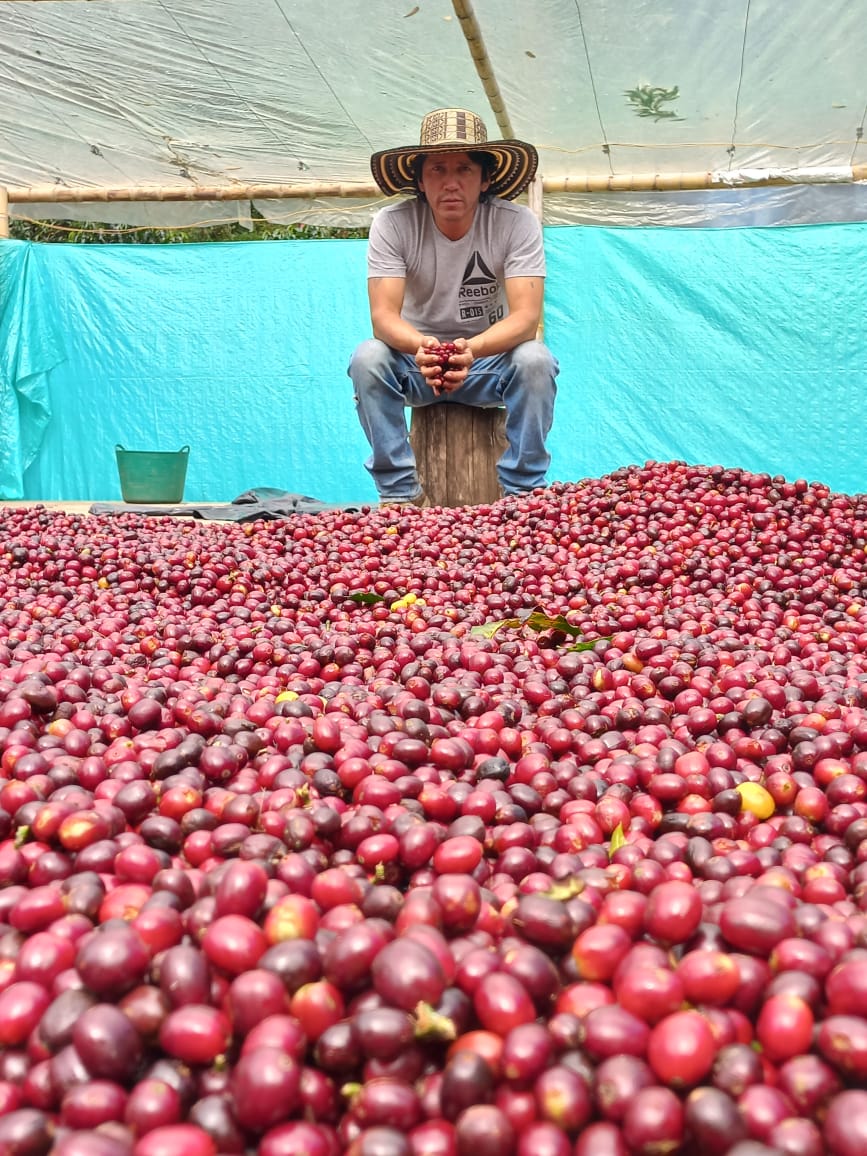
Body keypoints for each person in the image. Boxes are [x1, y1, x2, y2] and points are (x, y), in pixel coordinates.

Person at [348, 108, 559, 504]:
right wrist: (423, 348)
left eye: (463, 169)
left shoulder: (517, 223)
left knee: (535, 361)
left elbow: (527, 318)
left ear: (486, 179)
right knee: (368, 358)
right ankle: (399, 497)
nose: (450, 183)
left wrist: (471, 351)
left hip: (486, 364)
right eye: (438, 170)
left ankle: (524, 495)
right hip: (416, 364)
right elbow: (383, 317)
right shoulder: (392, 223)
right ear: (419, 180)